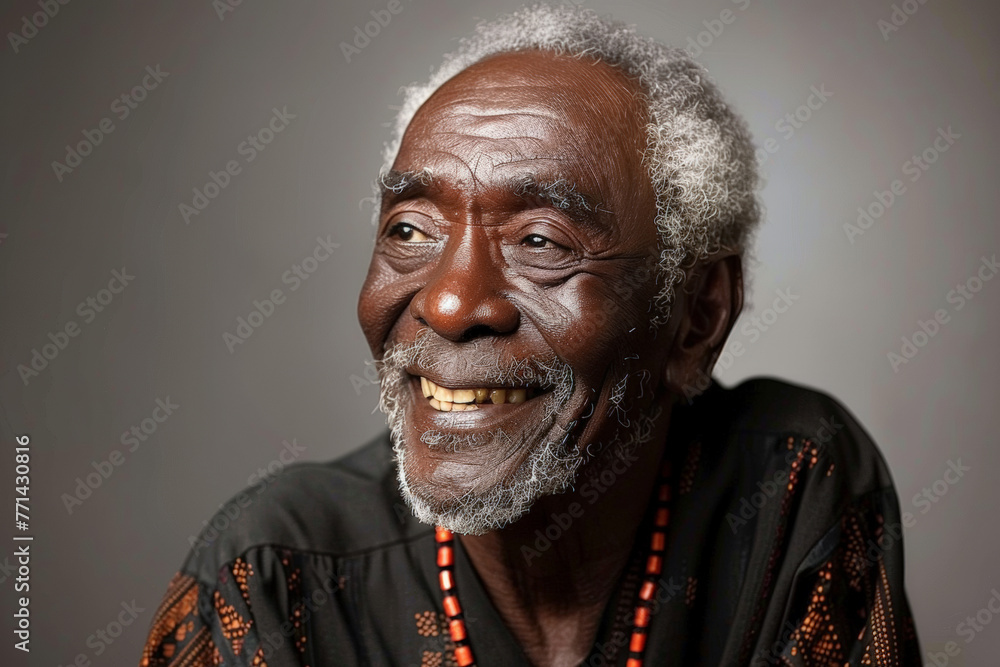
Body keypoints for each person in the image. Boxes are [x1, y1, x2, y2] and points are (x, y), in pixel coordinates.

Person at [139, 5, 920, 666]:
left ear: (697, 315)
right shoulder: (271, 576)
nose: (449, 301)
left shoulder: (792, 488)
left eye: (541, 241)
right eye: (410, 229)